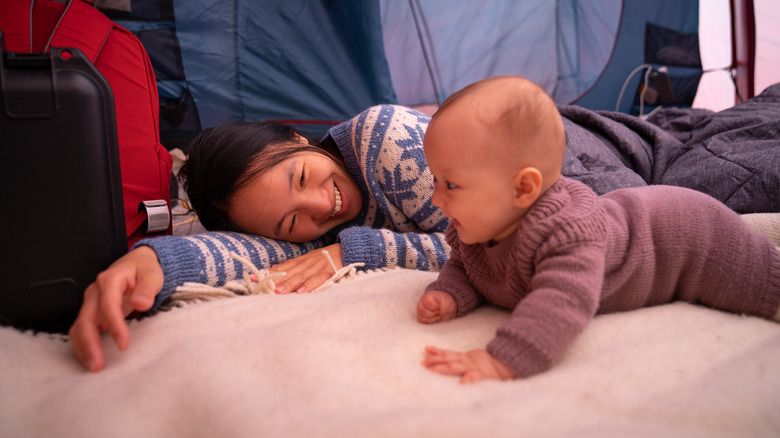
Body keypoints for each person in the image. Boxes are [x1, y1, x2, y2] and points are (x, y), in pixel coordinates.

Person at [416, 76, 780, 384]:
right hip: (665, 223)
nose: (435, 198)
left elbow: (563, 300)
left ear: (523, 189)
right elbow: (470, 268)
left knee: (767, 286)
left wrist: (502, 360)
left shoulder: (568, 231)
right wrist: (449, 293)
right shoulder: (476, 229)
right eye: (435, 179)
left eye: (450, 185)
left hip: (691, 237)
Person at [69, 105, 450, 372]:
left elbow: (485, 247)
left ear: (297, 138)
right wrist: (153, 262)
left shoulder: (387, 139)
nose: (322, 205)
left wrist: (352, 251)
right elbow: (246, 255)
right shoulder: (309, 234)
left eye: (300, 176)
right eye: (290, 222)